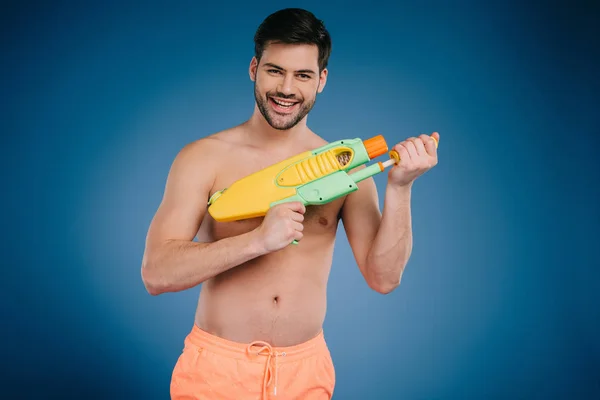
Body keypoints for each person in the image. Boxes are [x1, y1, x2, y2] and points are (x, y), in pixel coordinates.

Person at [141, 7, 439, 400]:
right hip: (218, 372)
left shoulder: (347, 171)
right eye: (275, 70)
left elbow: (383, 278)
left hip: (305, 372)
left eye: (303, 75)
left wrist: (400, 187)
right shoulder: (202, 158)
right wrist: (256, 241)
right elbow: (157, 274)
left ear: (322, 80)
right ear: (253, 68)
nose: (286, 89)